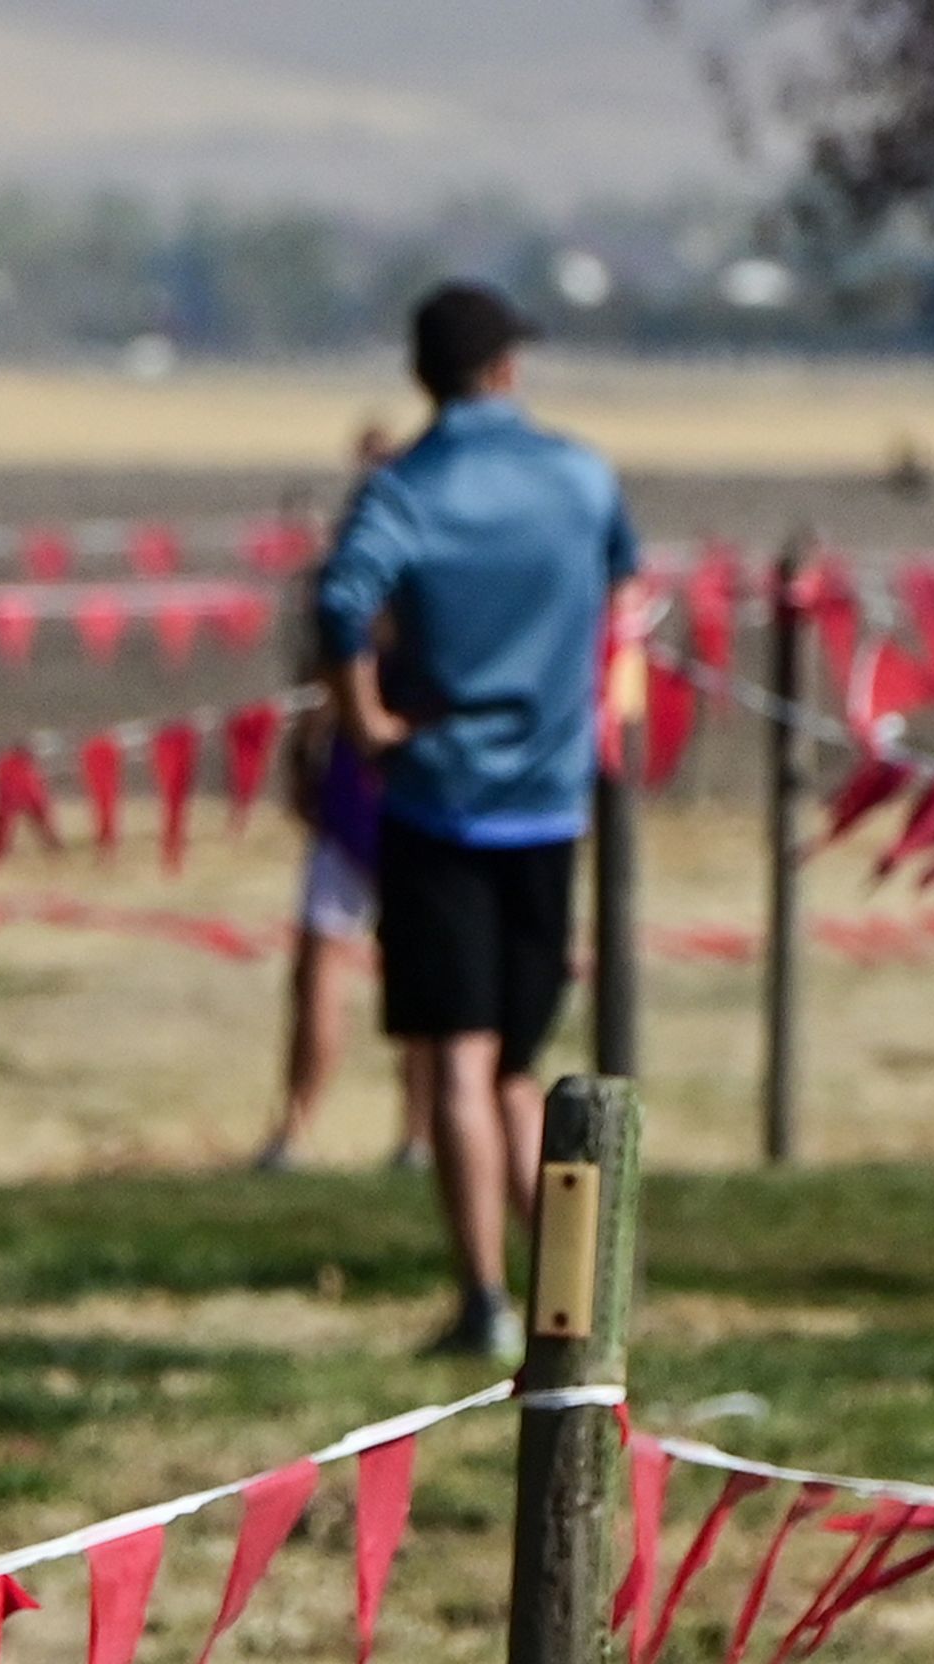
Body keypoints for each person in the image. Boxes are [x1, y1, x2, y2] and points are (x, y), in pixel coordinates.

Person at [316, 281, 640, 1358]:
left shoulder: (403, 488)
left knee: (455, 1064)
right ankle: (567, 1299)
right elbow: (624, 585)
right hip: (549, 807)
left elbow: (338, 601)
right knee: (517, 1064)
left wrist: (366, 719)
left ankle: (486, 1299)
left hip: (439, 797)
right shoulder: (581, 476)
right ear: (507, 367)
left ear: (424, 376)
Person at [258, 427, 398, 1174]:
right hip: (372, 785)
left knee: (353, 965)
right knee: (331, 964)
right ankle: (301, 1127)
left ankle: (402, 1133)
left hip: (383, 784)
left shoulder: (366, 573)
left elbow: (330, 671)